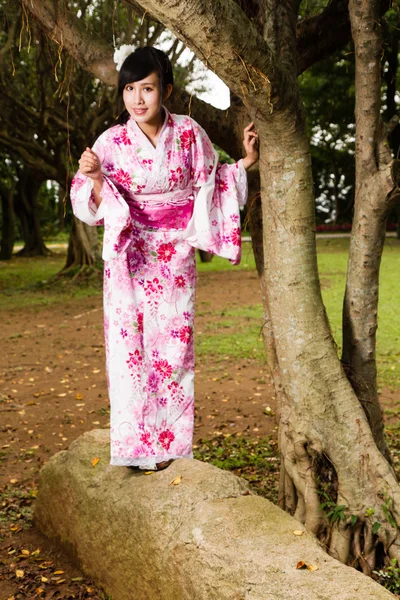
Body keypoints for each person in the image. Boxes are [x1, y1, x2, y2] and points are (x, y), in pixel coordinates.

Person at [71, 46, 259, 472]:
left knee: (174, 350)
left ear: (166, 90)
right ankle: (136, 447)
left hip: (175, 257)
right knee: (130, 350)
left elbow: (214, 182)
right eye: (130, 89)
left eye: (148, 89)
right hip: (128, 256)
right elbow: (90, 202)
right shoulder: (110, 143)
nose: (138, 99)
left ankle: (172, 446)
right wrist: (96, 177)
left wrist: (245, 162)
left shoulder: (190, 134)